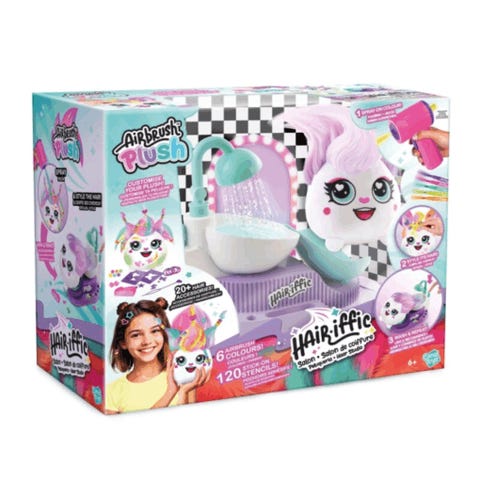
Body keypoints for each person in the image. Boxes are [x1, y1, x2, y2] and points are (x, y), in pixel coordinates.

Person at [106, 297, 208, 413]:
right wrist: (170, 392)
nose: (147, 341)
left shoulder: (182, 373)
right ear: (123, 343)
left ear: (164, 335)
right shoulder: (111, 392)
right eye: (136, 335)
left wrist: (184, 392)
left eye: (154, 331)